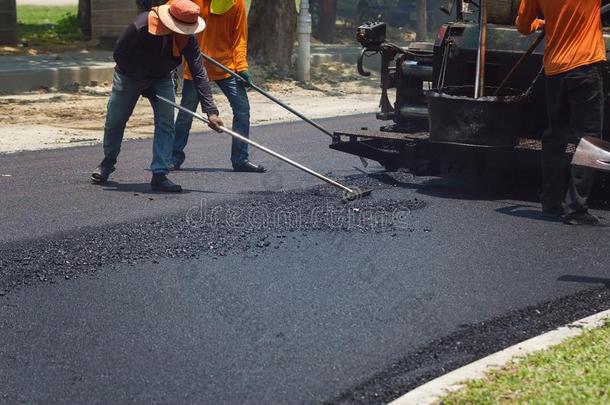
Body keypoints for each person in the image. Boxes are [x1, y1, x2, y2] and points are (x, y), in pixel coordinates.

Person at [91, 0, 224, 192]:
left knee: (166, 122)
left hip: (161, 76)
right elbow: (120, 54)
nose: (187, 32)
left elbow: (198, 71)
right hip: (129, 75)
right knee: (116, 119)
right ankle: (108, 161)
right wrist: (143, 85)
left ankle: (160, 173)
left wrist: (211, 111)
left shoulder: (187, 36)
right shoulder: (142, 25)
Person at [516, 0, 606, 225]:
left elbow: (523, 26)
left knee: (555, 135)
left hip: (554, 70)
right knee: (589, 139)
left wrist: (541, 22)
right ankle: (576, 209)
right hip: (584, 67)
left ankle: (551, 203)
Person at [171, 0, 266, 173]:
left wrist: (242, 67)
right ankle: (174, 157)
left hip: (226, 66)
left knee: (242, 109)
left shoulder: (236, 3)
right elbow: (171, 14)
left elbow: (240, 39)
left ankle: (240, 160)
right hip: (195, 65)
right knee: (186, 113)